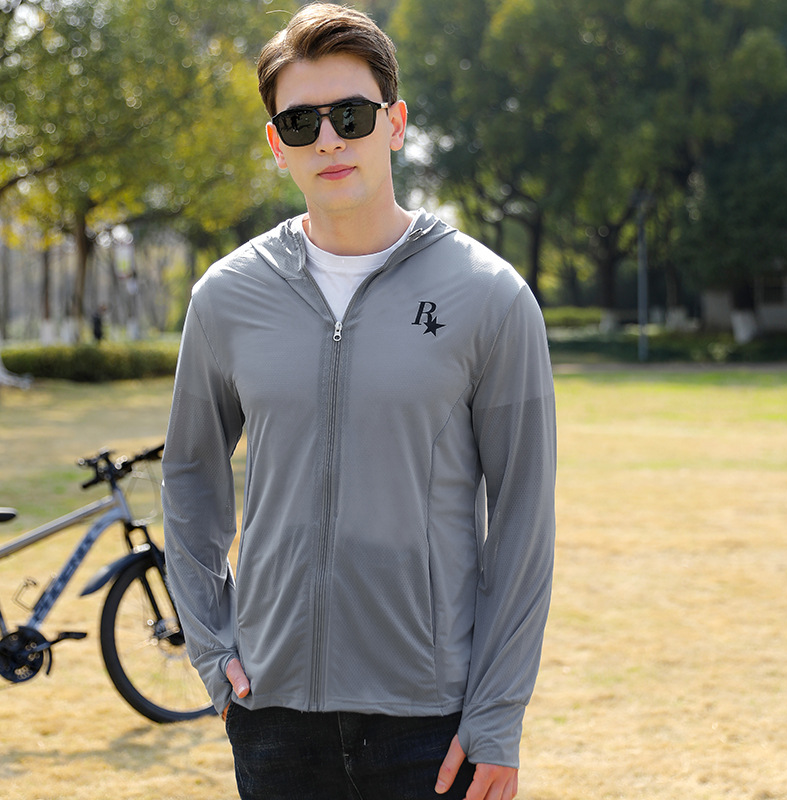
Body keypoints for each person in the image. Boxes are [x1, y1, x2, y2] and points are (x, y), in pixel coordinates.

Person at [161, 4, 556, 799]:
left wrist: (496, 714)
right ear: (277, 144)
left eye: (351, 115)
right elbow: (191, 477)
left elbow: (522, 520)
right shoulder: (226, 297)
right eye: (300, 122)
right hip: (272, 716)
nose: (329, 140)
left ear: (395, 123)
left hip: (431, 724)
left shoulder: (490, 296)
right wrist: (213, 650)